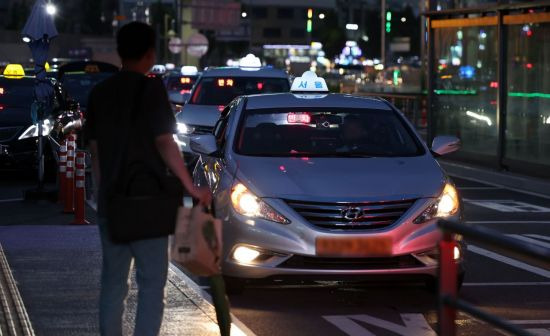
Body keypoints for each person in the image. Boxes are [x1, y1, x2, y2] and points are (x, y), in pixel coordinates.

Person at [84, 21, 211, 336]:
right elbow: (165, 142)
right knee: (152, 285)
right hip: (150, 204)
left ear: (120, 51)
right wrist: (189, 186)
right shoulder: (152, 89)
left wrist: (104, 194)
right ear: (150, 53)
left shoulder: (100, 92)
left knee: (113, 284)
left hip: (113, 203)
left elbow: (95, 152)